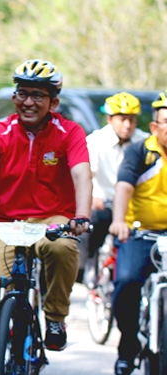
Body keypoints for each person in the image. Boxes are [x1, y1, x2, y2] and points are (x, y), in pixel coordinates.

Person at [0, 59, 92, 375]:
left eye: (38, 95)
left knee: (62, 248)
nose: (29, 102)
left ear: (53, 102)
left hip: (52, 220)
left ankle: (54, 318)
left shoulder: (69, 132)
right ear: (14, 97)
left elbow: (82, 175)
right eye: (23, 93)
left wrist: (81, 215)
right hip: (5, 224)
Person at [109, 90, 167, 375]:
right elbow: (124, 187)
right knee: (127, 281)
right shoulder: (141, 151)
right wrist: (119, 220)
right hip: (141, 233)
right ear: (155, 127)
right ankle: (128, 343)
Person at [82, 92, 149, 286]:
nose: (127, 125)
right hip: (104, 201)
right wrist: (93, 197)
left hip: (133, 206)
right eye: (122, 119)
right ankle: (90, 263)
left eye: (132, 120)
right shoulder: (95, 141)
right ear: (110, 119)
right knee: (93, 220)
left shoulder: (144, 142)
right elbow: (87, 175)